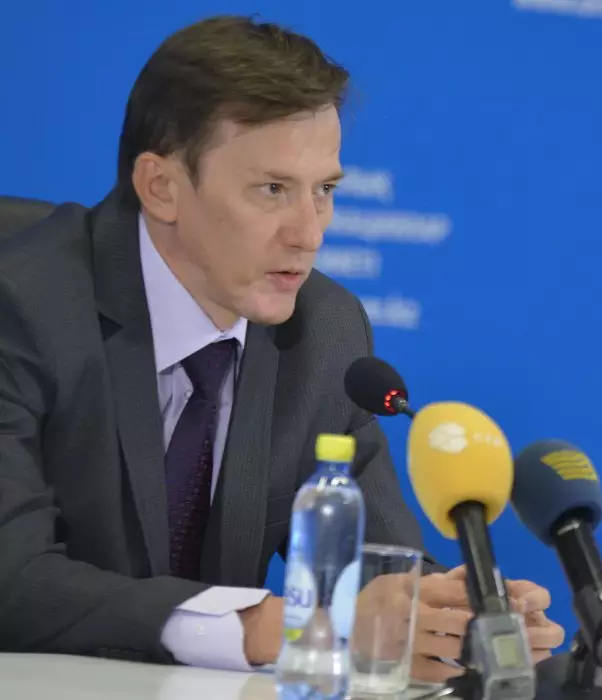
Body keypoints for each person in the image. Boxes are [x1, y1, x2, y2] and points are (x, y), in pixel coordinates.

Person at [0, 15, 564, 682]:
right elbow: (14, 580)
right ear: (161, 187)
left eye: (324, 190)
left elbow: (378, 567)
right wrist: (278, 626)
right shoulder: (23, 307)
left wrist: (444, 616)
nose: (309, 234)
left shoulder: (326, 332)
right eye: (273, 190)